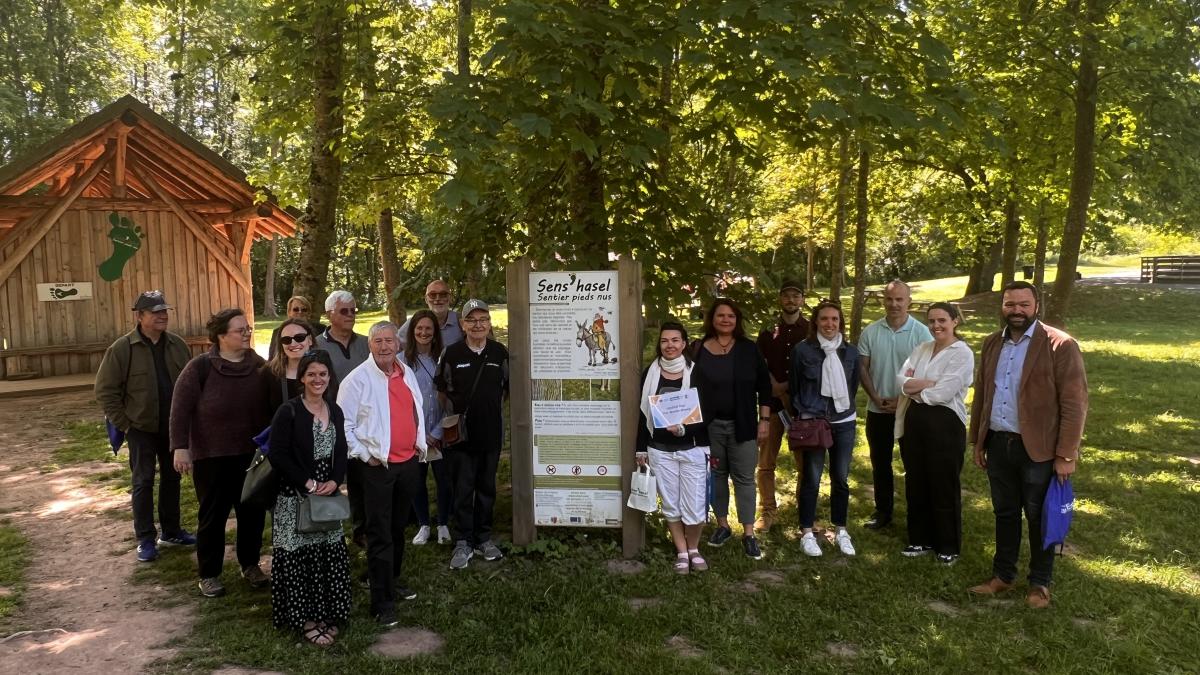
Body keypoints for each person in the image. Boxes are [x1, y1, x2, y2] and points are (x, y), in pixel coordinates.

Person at [967, 281, 1088, 608]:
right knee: (1004, 513)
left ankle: (1040, 583)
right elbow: (983, 394)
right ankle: (1003, 576)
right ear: (1002, 306)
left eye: (1023, 304)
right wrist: (978, 440)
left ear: (1037, 306)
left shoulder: (1059, 345)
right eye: (1010, 304)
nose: (1016, 310)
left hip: (1040, 450)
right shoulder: (993, 343)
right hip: (998, 444)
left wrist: (1066, 453)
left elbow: (1075, 403)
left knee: (1039, 517)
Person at [170, 308, 270, 598]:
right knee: (213, 516)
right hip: (211, 456)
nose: (247, 333)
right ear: (221, 336)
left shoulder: (259, 366)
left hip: (251, 455)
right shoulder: (199, 368)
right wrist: (180, 447)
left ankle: (250, 564)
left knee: (251, 512)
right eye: (240, 330)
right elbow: (180, 410)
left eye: (248, 328)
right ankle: (209, 574)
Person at [337, 322, 428, 627]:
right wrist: (365, 455)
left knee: (398, 527)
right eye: (378, 341)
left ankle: (393, 579)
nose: (385, 346)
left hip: (408, 464)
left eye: (390, 340)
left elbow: (416, 411)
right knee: (378, 533)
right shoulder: (357, 381)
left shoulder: (407, 373)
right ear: (370, 345)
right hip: (377, 467)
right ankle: (381, 601)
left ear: (398, 344)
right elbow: (344, 426)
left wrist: (419, 447)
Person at [95, 290, 195, 563]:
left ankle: (172, 531)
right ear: (140, 317)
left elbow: (190, 384)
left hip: (173, 427)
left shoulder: (177, 345)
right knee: (143, 481)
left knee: (173, 478)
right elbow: (105, 391)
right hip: (140, 428)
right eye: (156, 312)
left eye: (165, 311)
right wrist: (125, 425)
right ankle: (146, 539)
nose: (163, 316)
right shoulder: (122, 348)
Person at [266, 350, 351, 645]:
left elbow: (341, 450)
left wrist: (334, 480)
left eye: (323, 374)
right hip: (295, 497)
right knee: (299, 558)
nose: (318, 379)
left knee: (328, 555)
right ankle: (307, 619)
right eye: (311, 374)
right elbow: (278, 454)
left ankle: (327, 613)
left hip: (326, 495)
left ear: (330, 377)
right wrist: (308, 482)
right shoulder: (288, 412)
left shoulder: (335, 410)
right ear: (301, 377)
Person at [895, 303, 974, 565]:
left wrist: (917, 389)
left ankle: (947, 545)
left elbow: (943, 393)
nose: (936, 326)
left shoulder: (961, 353)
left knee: (943, 483)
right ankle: (920, 539)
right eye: (931, 321)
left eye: (942, 320)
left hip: (945, 424)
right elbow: (900, 380)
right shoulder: (923, 348)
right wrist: (925, 385)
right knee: (916, 480)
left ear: (955, 322)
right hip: (915, 421)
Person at [692, 299, 770, 560]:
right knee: (717, 475)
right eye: (720, 315)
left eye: (731, 316)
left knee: (745, 478)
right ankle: (722, 526)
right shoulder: (698, 349)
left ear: (737, 320)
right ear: (711, 319)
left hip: (744, 425)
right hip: (710, 427)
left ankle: (748, 533)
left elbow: (765, 386)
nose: (726, 320)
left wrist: (765, 420)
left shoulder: (749, 349)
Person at [437, 299, 509, 570]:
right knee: (463, 490)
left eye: (483, 320)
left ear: (489, 323)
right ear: (463, 324)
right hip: (460, 438)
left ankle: (484, 538)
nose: (478, 325)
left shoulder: (499, 352)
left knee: (487, 488)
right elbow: (441, 390)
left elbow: (505, 389)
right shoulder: (451, 353)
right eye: (472, 320)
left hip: (490, 435)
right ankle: (463, 540)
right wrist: (457, 416)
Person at [856, 280, 932, 530]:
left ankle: (916, 513)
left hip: (911, 410)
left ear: (909, 301)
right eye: (889, 299)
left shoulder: (921, 333)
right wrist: (876, 397)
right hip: (878, 409)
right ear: (883, 301)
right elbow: (862, 368)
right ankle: (883, 512)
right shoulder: (871, 331)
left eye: (900, 299)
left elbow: (929, 372)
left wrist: (903, 399)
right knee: (880, 462)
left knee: (914, 463)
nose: (894, 304)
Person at [636, 321, 711, 574]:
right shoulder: (650, 374)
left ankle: (694, 548)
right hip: (659, 449)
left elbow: (707, 414)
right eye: (665, 340)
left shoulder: (697, 373)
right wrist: (641, 449)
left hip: (692, 448)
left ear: (684, 343)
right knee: (671, 503)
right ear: (660, 344)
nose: (670, 345)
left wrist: (684, 429)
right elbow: (641, 414)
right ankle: (681, 550)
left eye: (675, 340)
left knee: (695, 504)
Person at [791, 301, 860, 557]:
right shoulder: (802, 351)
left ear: (840, 321)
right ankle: (807, 532)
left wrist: (840, 408)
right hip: (814, 421)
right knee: (811, 477)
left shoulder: (850, 352)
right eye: (824, 319)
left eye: (834, 319)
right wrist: (809, 411)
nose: (830, 324)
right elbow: (795, 385)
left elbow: (853, 386)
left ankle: (841, 529)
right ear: (816, 322)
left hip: (843, 421)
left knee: (840, 478)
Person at [753, 279, 811, 532]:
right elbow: (758, 362)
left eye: (795, 296)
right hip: (772, 407)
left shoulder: (810, 330)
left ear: (802, 299)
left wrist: (786, 385)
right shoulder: (767, 330)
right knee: (766, 462)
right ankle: (767, 510)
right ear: (780, 299)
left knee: (804, 463)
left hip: (801, 406)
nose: (791, 300)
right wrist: (773, 385)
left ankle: (804, 509)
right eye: (786, 295)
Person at [315, 290, 370, 546]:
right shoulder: (316, 345)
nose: (351, 315)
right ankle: (329, 533)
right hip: (328, 422)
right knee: (330, 476)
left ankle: (361, 531)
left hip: (362, 422)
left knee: (360, 477)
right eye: (344, 311)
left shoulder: (365, 344)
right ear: (329, 315)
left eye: (353, 310)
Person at [404, 309, 453, 546]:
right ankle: (424, 524)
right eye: (419, 328)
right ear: (413, 332)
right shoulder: (402, 361)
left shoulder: (444, 359)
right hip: (414, 435)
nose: (423, 332)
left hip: (440, 432)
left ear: (435, 334)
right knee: (417, 481)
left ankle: (443, 523)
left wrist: (436, 432)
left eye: (428, 329)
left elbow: (450, 398)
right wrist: (419, 434)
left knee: (444, 480)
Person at [261, 318, 316, 415]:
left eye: (300, 337)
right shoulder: (269, 373)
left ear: (310, 340)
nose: (293, 344)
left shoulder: (323, 371)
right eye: (286, 340)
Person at [399, 279, 464, 348]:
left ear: (450, 298)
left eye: (443, 294)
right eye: (432, 295)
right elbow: (396, 346)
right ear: (426, 299)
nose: (438, 299)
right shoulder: (414, 322)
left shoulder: (460, 321)